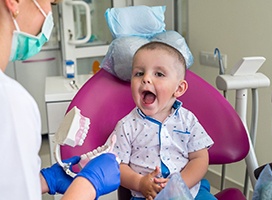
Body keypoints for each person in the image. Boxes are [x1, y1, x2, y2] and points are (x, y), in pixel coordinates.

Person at [0, 0, 120, 199]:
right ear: (14, 2)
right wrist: (87, 186)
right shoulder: (10, 103)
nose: (49, 14)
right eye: (51, 3)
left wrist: (42, 180)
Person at [110, 41, 216, 200]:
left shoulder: (188, 120)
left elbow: (200, 158)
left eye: (158, 74)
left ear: (179, 88)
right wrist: (140, 183)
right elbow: (118, 166)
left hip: (190, 191)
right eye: (139, 73)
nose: (146, 79)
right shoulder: (126, 126)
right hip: (147, 195)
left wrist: (180, 185)